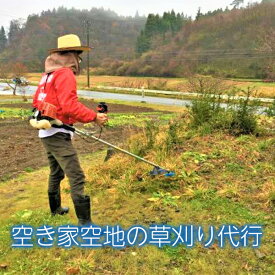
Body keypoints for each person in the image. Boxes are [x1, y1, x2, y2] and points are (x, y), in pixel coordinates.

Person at [32, 34, 107, 225]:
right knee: (77, 175)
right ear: (72, 55)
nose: (79, 60)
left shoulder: (48, 74)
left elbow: (41, 102)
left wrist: (71, 118)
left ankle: (56, 209)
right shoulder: (64, 73)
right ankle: (85, 223)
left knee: (56, 172)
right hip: (56, 133)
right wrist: (94, 117)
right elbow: (69, 105)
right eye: (79, 55)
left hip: (47, 131)